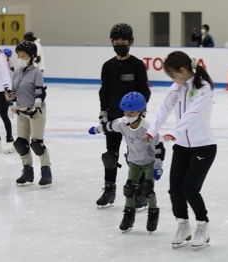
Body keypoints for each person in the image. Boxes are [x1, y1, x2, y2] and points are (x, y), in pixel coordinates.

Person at [142, 51, 217, 249]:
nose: (174, 79)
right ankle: (183, 226)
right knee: (175, 189)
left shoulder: (204, 88)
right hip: (182, 147)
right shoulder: (177, 87)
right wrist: (151, 131)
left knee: (190, 189)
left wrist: (174, 132)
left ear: (183, 70)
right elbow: (163, 109)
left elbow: (192, 114)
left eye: (174, 75)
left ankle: (203, 225)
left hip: (204, 147)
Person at [89, 92, 165, 233]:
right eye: (125, 111)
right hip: (134, 162)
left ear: (141, 111)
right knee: (129, 188)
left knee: (148, 189)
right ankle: (128, 216)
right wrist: (96, 129)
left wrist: (158, 166)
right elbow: (109, 126)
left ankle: (153, 213)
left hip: (149, 162)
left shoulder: (148, 128)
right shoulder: (122, 123)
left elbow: (159, 147)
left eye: (131, 112)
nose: (128, 115)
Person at [96, 23, 151, 208]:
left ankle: (141, 191)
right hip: (113, 117)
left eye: (123, 40)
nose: (120, 43)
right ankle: (109, 190)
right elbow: (104, 91)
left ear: (130, 42)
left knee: (135, 156)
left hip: (133, 120)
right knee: (110, 156)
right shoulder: (108, 66)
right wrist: (103, 113)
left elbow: (144, 90)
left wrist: (139, 113)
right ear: (112, 42)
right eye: (116, 40)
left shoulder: (137, 65)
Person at [7, 41, 52, 187]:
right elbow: (14, 91)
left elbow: (39, 91)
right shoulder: (17, 72)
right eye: (18, 55)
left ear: (31, 56)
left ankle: (46, 170)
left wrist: (37, 103)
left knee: (36, 144)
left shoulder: (36, 72)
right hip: (21, 111)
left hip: (35, 112)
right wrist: (10, 95)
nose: (20, 58)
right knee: (21, 143)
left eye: (23, 55)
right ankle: (27, 171)